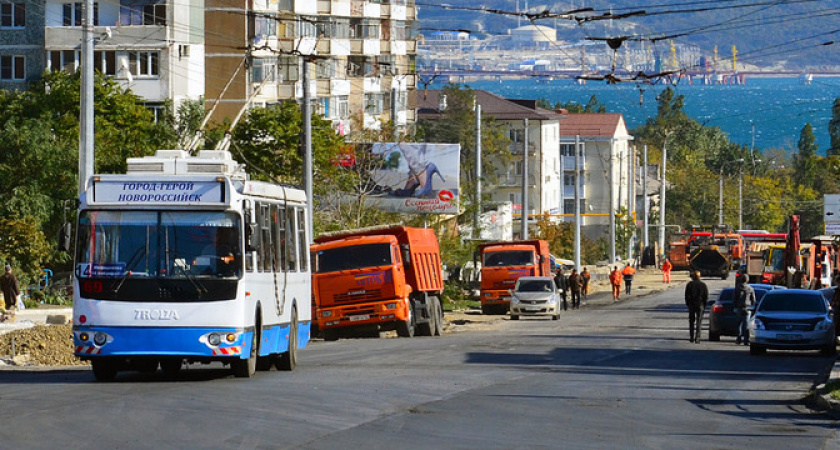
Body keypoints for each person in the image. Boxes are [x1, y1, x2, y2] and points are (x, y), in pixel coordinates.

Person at [684, 271, 709, 343]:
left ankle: (691, 337)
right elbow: (706, 296)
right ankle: (697, 338)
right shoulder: (703, 285)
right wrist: (704, 305)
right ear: (699, 276)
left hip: (691, 304)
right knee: (699, 321)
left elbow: (686, 296)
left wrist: (688, 304)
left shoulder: (689, 285)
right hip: (700, 304)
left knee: (691, 321)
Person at [733, 273, 756, 346]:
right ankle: (746, 340)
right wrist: (752, 305)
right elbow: (754, 299)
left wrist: (735, 306)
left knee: (738, 324)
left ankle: (738, 339)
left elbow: (734, 298)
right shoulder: (750, 288)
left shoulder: (737, 288)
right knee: (746, 325)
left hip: (739, 307)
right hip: (747, 308)